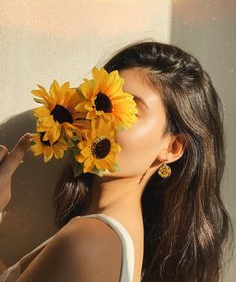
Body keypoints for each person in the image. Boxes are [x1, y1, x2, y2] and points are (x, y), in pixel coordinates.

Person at [0, 40, 234, 282]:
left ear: (172, 148)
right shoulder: (107, 239)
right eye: (103, 101)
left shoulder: (87, 242)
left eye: (129, 109)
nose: (101, 119)